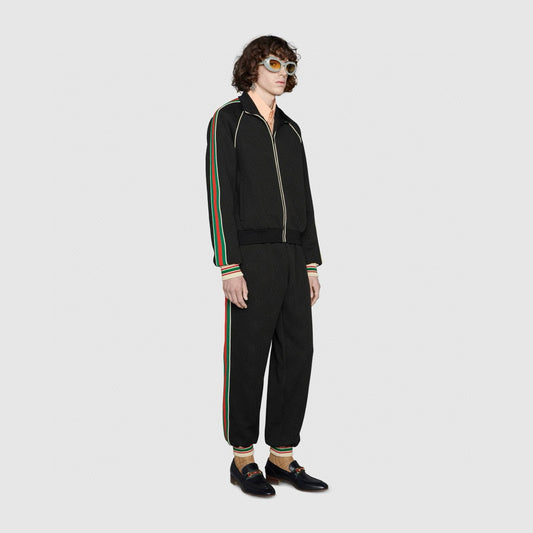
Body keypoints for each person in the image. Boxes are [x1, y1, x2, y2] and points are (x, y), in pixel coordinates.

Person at [205, 35, 328, 496]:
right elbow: (219, 192)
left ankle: (281, 455)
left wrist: (311, 261)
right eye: (274, 63)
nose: (283, 73)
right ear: (253, 66)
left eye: (289, 66)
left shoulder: (292, 129)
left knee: (297, 355)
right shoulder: (229, 120)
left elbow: (304, 198)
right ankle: (243, 458)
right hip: (251, 258)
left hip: (294, 257)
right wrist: (228, 265)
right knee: (248, 356)